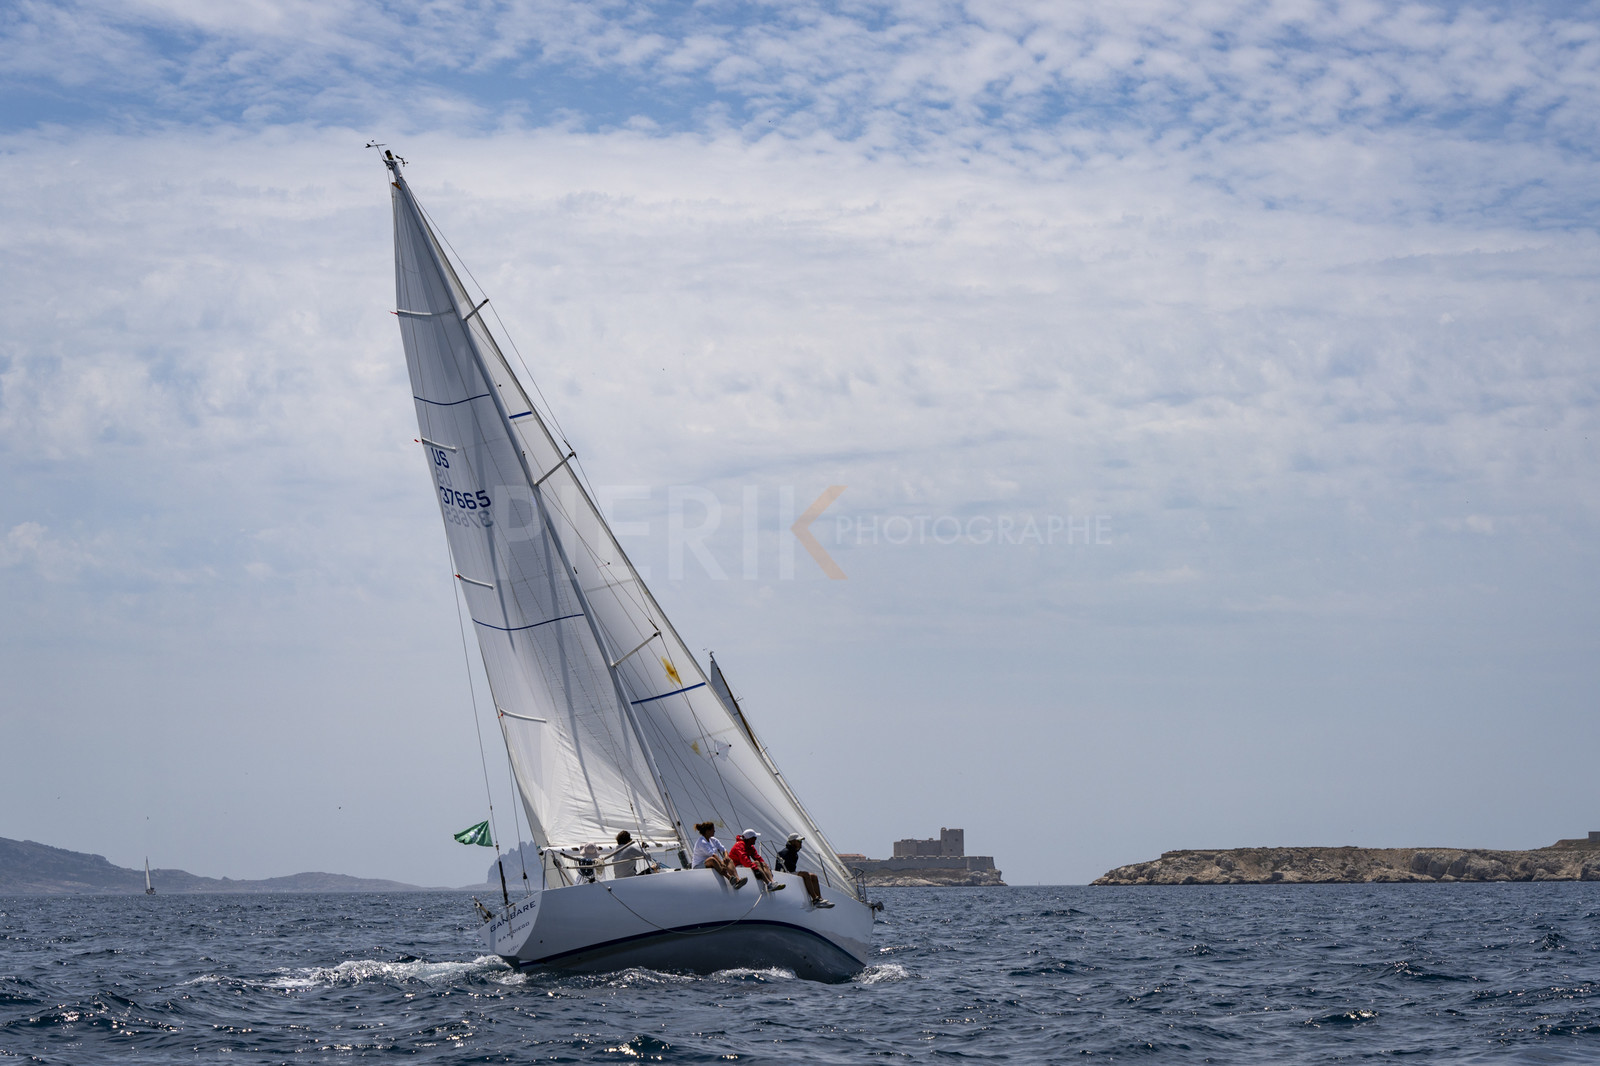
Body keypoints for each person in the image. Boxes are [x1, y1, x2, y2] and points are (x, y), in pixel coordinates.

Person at [775, 833, 833, 908]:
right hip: (785, 874)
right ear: (792, 842)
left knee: (814, 876)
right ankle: (815, 899)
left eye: (801, 841)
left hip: (790, 873)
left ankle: (820, 898)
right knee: (805, 874)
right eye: (799, 841)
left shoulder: (794, 853)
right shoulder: (784, 852)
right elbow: (780, 868)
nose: (801, 843)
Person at [690, 821, 745, 887]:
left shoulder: (713, 840)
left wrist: (726, 857)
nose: (714, 831)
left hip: (713, 862)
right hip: (699, 865)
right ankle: (729, 878)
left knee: (729, 860)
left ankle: (737, 880)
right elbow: (713, 855)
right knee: (712, 859)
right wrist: (722, 864)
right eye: (713, 829)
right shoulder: (702, 842)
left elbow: (724, 850)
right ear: (707, 831)